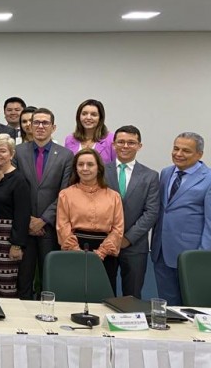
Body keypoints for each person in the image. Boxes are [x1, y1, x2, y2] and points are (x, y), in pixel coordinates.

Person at [14, 108, 72, 300]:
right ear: (29, 126)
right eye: (36, 122)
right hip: (24, 226)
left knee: (49, 279)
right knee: (23, 278)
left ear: (53, 127)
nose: (40, 126)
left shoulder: (65, 156)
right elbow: (14, 188)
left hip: (50, 228)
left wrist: (43, 220)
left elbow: (64, 194)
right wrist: (28, 219)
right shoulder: (18, 152)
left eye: (45, 123)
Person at [151, 132, 211, 305]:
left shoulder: (208, 178)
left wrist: (202, 257)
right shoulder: (166, 173)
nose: (178, 154)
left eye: (186, 150)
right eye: (176, 148)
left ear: (199, 154)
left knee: (194, 307)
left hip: (191, 253)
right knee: (168, 307)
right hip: (161, 251)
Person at [104, 125, 159, 298]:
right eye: (121, 142)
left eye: (131, 142)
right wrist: (113, 238)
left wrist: (128, 238)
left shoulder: (150, 176)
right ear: (113, 144)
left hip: (135, 245)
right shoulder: (101, 171)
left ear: (139, 146)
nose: (125, 146)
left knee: (133, 295)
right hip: (105, 242)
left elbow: (151, 212)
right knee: (103, 292)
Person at [57, 148, 124, 288]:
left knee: (102, 295)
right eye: (80, 165)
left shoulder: (113, 196)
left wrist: (101, 252)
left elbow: (118, 229)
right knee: (74, 293)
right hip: (75, 251)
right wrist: (76, 251)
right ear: (75, 168)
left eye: (90, 164)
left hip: (105, 253)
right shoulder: (66, 194)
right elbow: (62, 225)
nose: (85, 168)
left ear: (99, 168)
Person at [0, 134, 31, 298]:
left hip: (6, 240)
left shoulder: (19, 179)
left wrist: (16, 245)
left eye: (2, 151)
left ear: (12, 154)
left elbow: (22, 215)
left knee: (6, 285)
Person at [64, 99, 116, 164]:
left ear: (100, 118)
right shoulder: (70, 139)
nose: (88, 117)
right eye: (84, 114)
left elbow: (115, 167)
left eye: (93, 114)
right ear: (79, 117)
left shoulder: (111, 139)